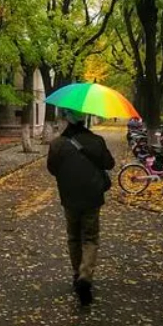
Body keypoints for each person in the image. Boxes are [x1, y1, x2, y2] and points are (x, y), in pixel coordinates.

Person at [47, 108, 115, 306]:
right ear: (84, 120)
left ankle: (77, 273)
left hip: (69, 197)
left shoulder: (58, 144)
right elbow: (109, 164)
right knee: (91, 238)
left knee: (74, 237)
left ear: (67, 120)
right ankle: (85, 275)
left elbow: (52, 169)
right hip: (93, 197)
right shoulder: (97, 141)